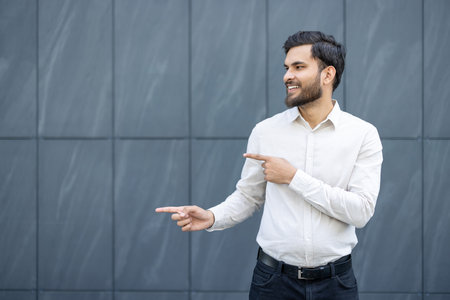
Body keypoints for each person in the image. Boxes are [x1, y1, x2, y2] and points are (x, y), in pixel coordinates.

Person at [156, 31, 383, 300]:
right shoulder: (266, 132)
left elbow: (361, 212)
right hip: (273, 283)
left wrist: (293, 177)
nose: (287, 76)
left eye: (299, 67)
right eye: (287, 68)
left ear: (328, 74)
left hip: (336, 285)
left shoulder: (362, 134)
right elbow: (248, 197)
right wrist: (212, 217)